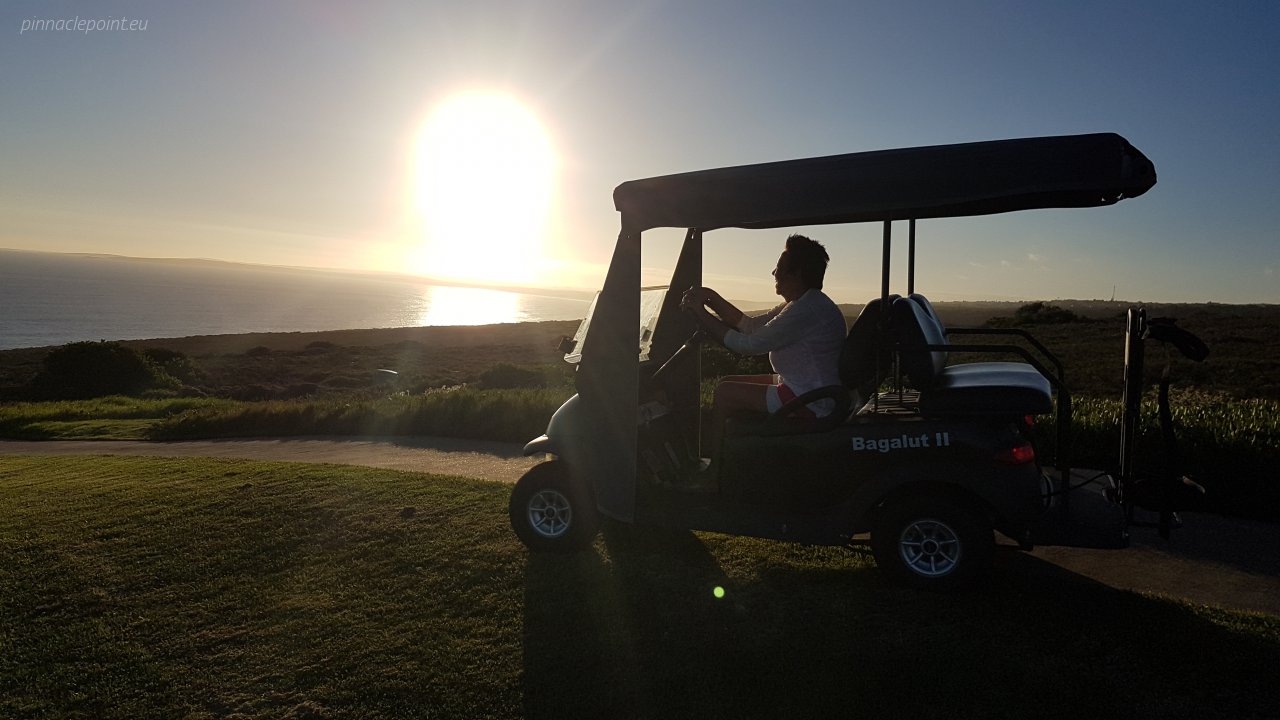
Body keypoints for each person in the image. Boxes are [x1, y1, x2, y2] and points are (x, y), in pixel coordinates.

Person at [680, 234, 847, 422]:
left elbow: (748, 345)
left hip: (812, 401)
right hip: (804, 387)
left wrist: (701, 314)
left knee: (724, 393)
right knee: (726, 381)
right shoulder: (802, 303)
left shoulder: (807, 309)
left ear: (796, 274)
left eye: (779, 267)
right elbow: (750, 326)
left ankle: (716, 442)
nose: (774, 272)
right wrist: (710, 297)